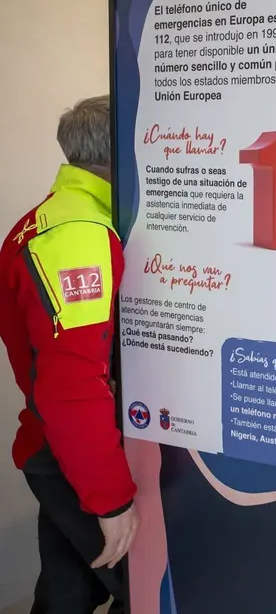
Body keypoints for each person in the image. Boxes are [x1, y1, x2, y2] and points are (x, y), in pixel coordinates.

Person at [0, 96, 138, 612]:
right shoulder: (79, 236)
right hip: (76, 459)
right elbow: (71, 383)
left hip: (60, 450)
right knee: (138, 590)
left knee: (66, 593)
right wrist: (112, 498)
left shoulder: (46, 218)